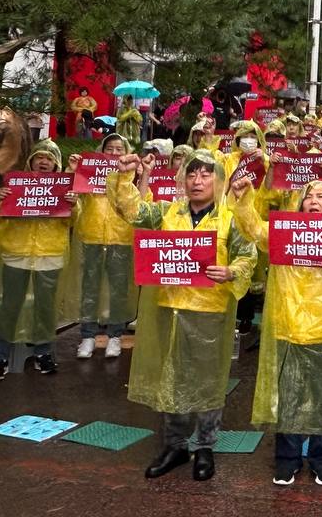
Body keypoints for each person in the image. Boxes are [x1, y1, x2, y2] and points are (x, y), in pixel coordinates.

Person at [110, 149, 257, 482]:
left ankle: (205, 446)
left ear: (218, 181)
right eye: (192, 174)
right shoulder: (167, 212)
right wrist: (123, 177)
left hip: (209, 311)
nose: (197, 181)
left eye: (206, 175)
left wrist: (232, 271)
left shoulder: (230, 218)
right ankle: (174, 445)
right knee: (172, 376)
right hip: (169, 308)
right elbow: (132, 210)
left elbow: (247, 255)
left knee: (207, 381)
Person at [233, 177, 322, 486]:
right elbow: (256, 231)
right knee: (290, 398)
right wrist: (243, 200)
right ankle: (288, 460)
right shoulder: (283, 232)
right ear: (299, 202)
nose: (313, 200)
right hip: (289, 326)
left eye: (321, 197)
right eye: (308, 196)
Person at [0, 140, 72, 379]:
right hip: (17, 254)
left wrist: (75, 206)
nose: (43, 162)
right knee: (8, 307)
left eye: (49, 158)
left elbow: (74, 222)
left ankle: (43, 352)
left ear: (56, 164)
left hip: (49, 256)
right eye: (39, 157)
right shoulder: (15, 185)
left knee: (45, 308)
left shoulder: (65, 189)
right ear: (31, 160)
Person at [63, 132, 139, 358]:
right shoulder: (88, 174)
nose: (114, 153)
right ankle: (87, 336)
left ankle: (115, 336)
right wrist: (72, 171)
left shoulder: (129, 179)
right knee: (90, 288)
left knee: (117, 291)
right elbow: (69, 196)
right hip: (92, 238)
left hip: (120, 239)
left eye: (119, 149)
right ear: (101, 152)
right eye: (110, 149)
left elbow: (138, 206)